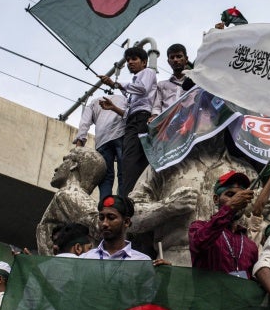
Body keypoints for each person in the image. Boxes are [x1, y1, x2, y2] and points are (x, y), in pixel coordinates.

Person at [98, 47, 157, 196]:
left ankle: (125, 198)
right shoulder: (135, 82)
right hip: (134, 121)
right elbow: (131, 110)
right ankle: (131, 195)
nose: (130, 62)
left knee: (130, 162)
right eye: (128, 60)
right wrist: (114, 108)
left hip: (141, 120)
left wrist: (115, 84)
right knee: (132, 163)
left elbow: (142, 89)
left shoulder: (148, 72)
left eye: (134, 59)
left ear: (144, 62)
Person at [36, 147, 106, 254]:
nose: (56, 168)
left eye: (65, 161)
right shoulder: (69, 194)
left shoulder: (69, 193)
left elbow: (100, 225)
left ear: (74, 165)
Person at [189, 171, 258, 279]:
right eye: (230, 195)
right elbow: (200, 242)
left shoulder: (250, 245)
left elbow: (253, 278)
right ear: (216, 199)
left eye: (241, 197)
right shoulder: (198, 227)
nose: (237, 200)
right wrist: (230, 207)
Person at [73, 93, 127, 199]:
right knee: (123, 173)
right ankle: (123, 203)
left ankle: (104, 205)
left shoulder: (93, 103)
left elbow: (84, 123)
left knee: (106, 177)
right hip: (120, 135)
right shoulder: (124, 98)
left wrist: (78, 148)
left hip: (102, 140)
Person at [80, 195, 154, 261]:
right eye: (101, 218)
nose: (104, 223)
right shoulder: (85, 259)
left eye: (111, 218)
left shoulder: (142, 261)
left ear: (126, 222)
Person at [150, 43, 195, 123]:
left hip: (190, 124)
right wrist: (154, 117)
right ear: (168, 61)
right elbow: (156, 107)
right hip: (167, 127)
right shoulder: (162, 85)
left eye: (179, 56)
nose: (175, 60)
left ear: (186, 59)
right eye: (172, 57)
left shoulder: (195, 82)